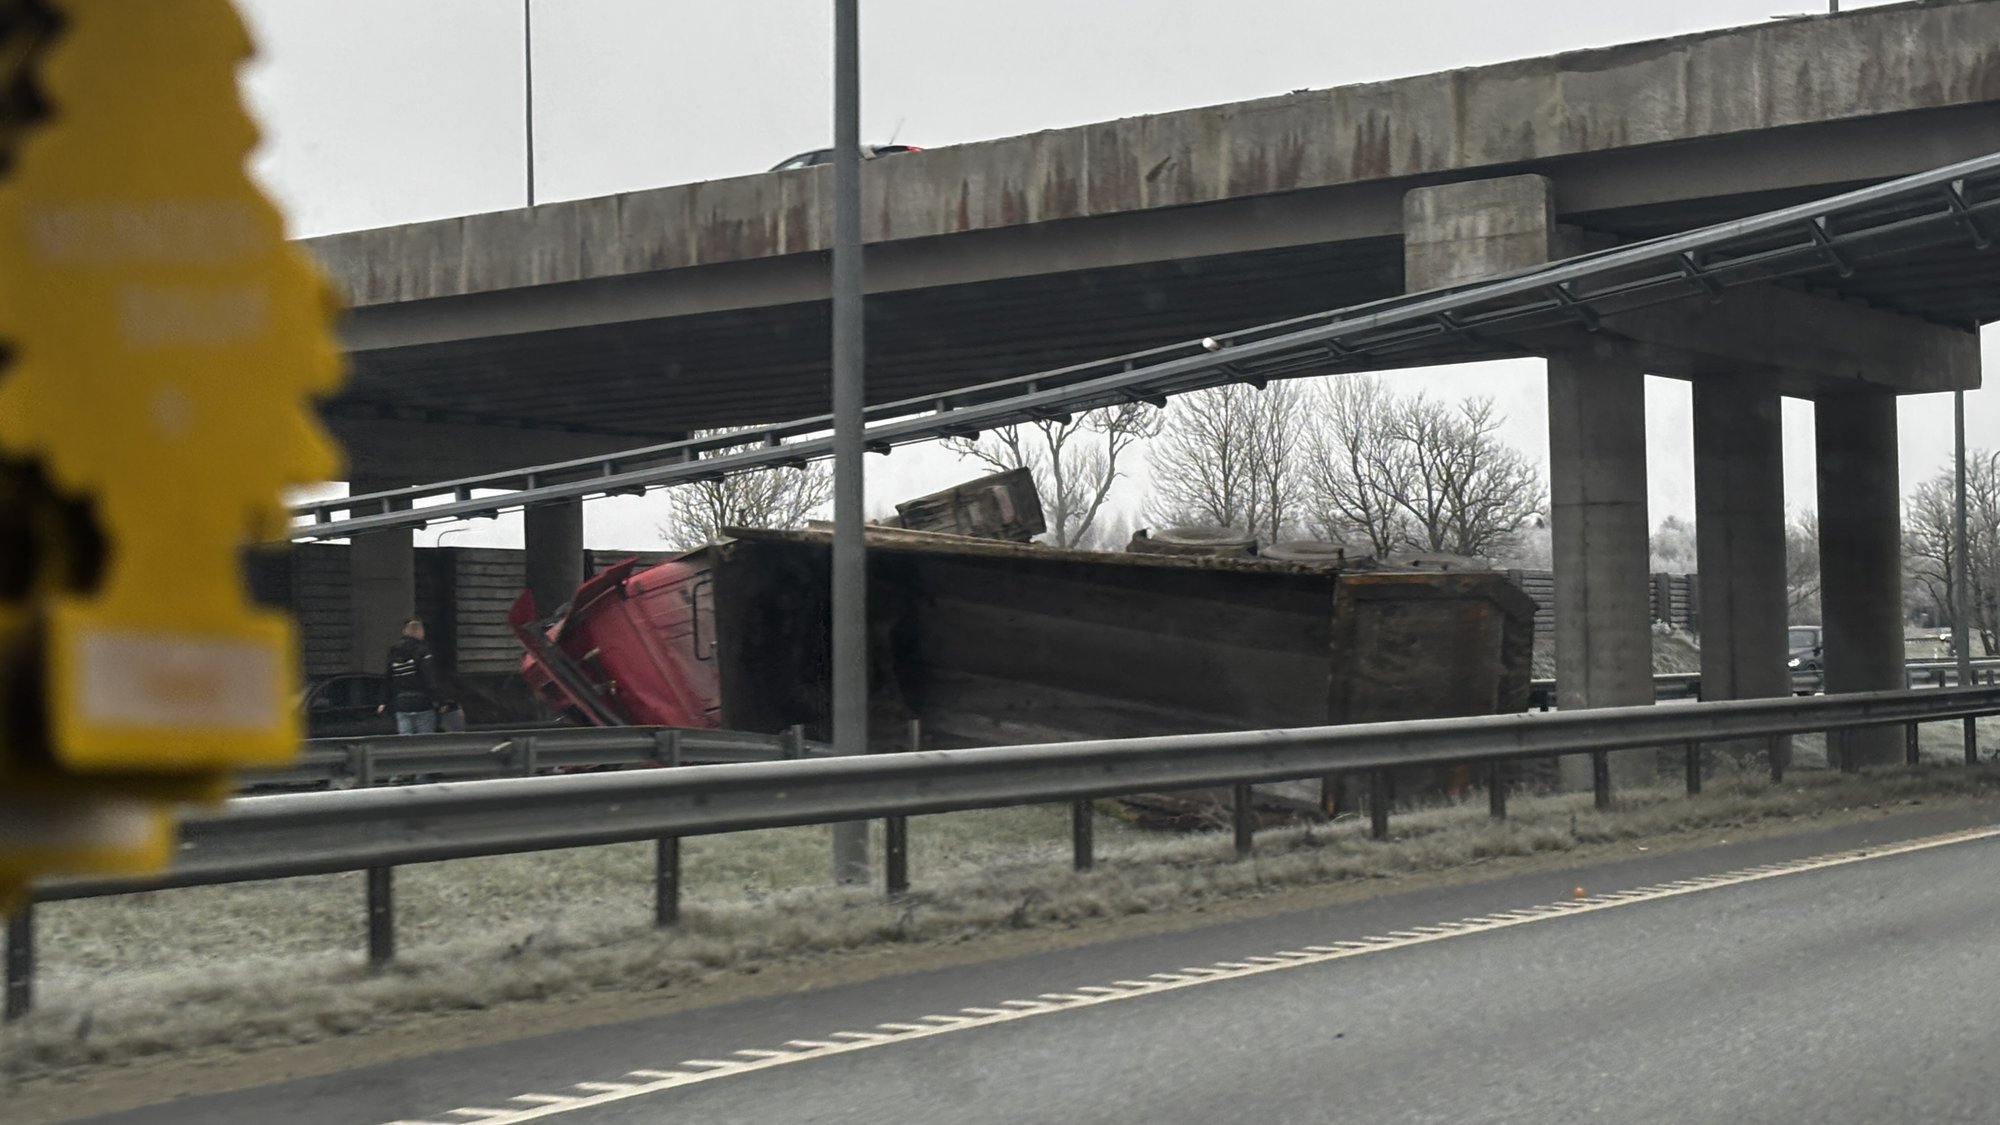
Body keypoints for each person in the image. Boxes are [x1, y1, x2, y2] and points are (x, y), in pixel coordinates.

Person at [378, 618, 442, 735]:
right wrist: (438, 700)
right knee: (424, 740)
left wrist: (383, 700)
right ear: (420, 632)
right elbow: (429, 678)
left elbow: (388, 678)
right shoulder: (423, 651)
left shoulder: (394, 652)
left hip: (401, 702)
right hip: (422, 701)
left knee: (406, 741)